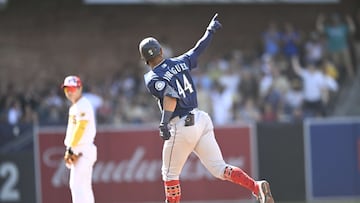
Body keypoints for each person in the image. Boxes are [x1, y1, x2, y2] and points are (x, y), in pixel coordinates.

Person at [139, 13, 274, 203]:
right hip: (200, 119)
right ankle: (255, 186)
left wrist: (163, 123)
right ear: (161, 50)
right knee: (219, 168)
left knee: (169, 175)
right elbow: (198, 49)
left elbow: (170, 96)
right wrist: (210, 31)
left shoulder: (152, 77)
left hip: (181, 125)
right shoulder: (179, 62)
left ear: (145, 59)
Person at [61, 75, 97, 203]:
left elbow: (81, 128)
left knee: (78, 186)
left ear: (80, 88)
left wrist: (71, 147)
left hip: (82, 149)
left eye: (72, 88)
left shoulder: (83, 105)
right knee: (82, 186)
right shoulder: (76, 106)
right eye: (67, 89)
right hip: (81, 149)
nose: (70, 92)